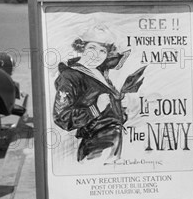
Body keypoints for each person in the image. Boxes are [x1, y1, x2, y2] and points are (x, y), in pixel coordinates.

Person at [53, 24, 145, 164]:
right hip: (96, 145)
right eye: (92, 48)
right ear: (81, 47)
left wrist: (122, 108)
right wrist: (95, 109)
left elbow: (111, 113)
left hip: (113, 141)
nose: (97, 55)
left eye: (103, 50)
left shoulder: (100, 72)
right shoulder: (70, 76)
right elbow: (62, 117)